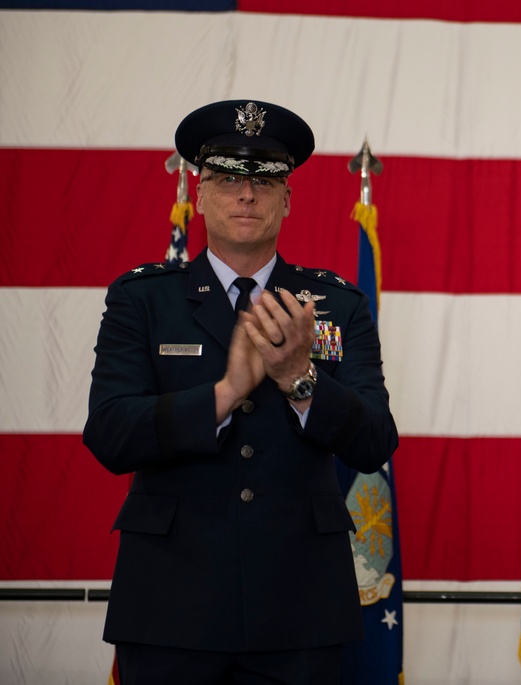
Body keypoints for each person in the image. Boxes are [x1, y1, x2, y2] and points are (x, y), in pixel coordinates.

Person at [83, 99, 398, 684]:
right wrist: (224, 394)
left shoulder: (338, 305)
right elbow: (109, 434)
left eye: (263, 180)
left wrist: (299, 381)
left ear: (286, 198)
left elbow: (376, 441)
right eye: (228, 178)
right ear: (199, 194)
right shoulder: (143, 300)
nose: (246, 195)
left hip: (300, 609)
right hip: (170, 606)